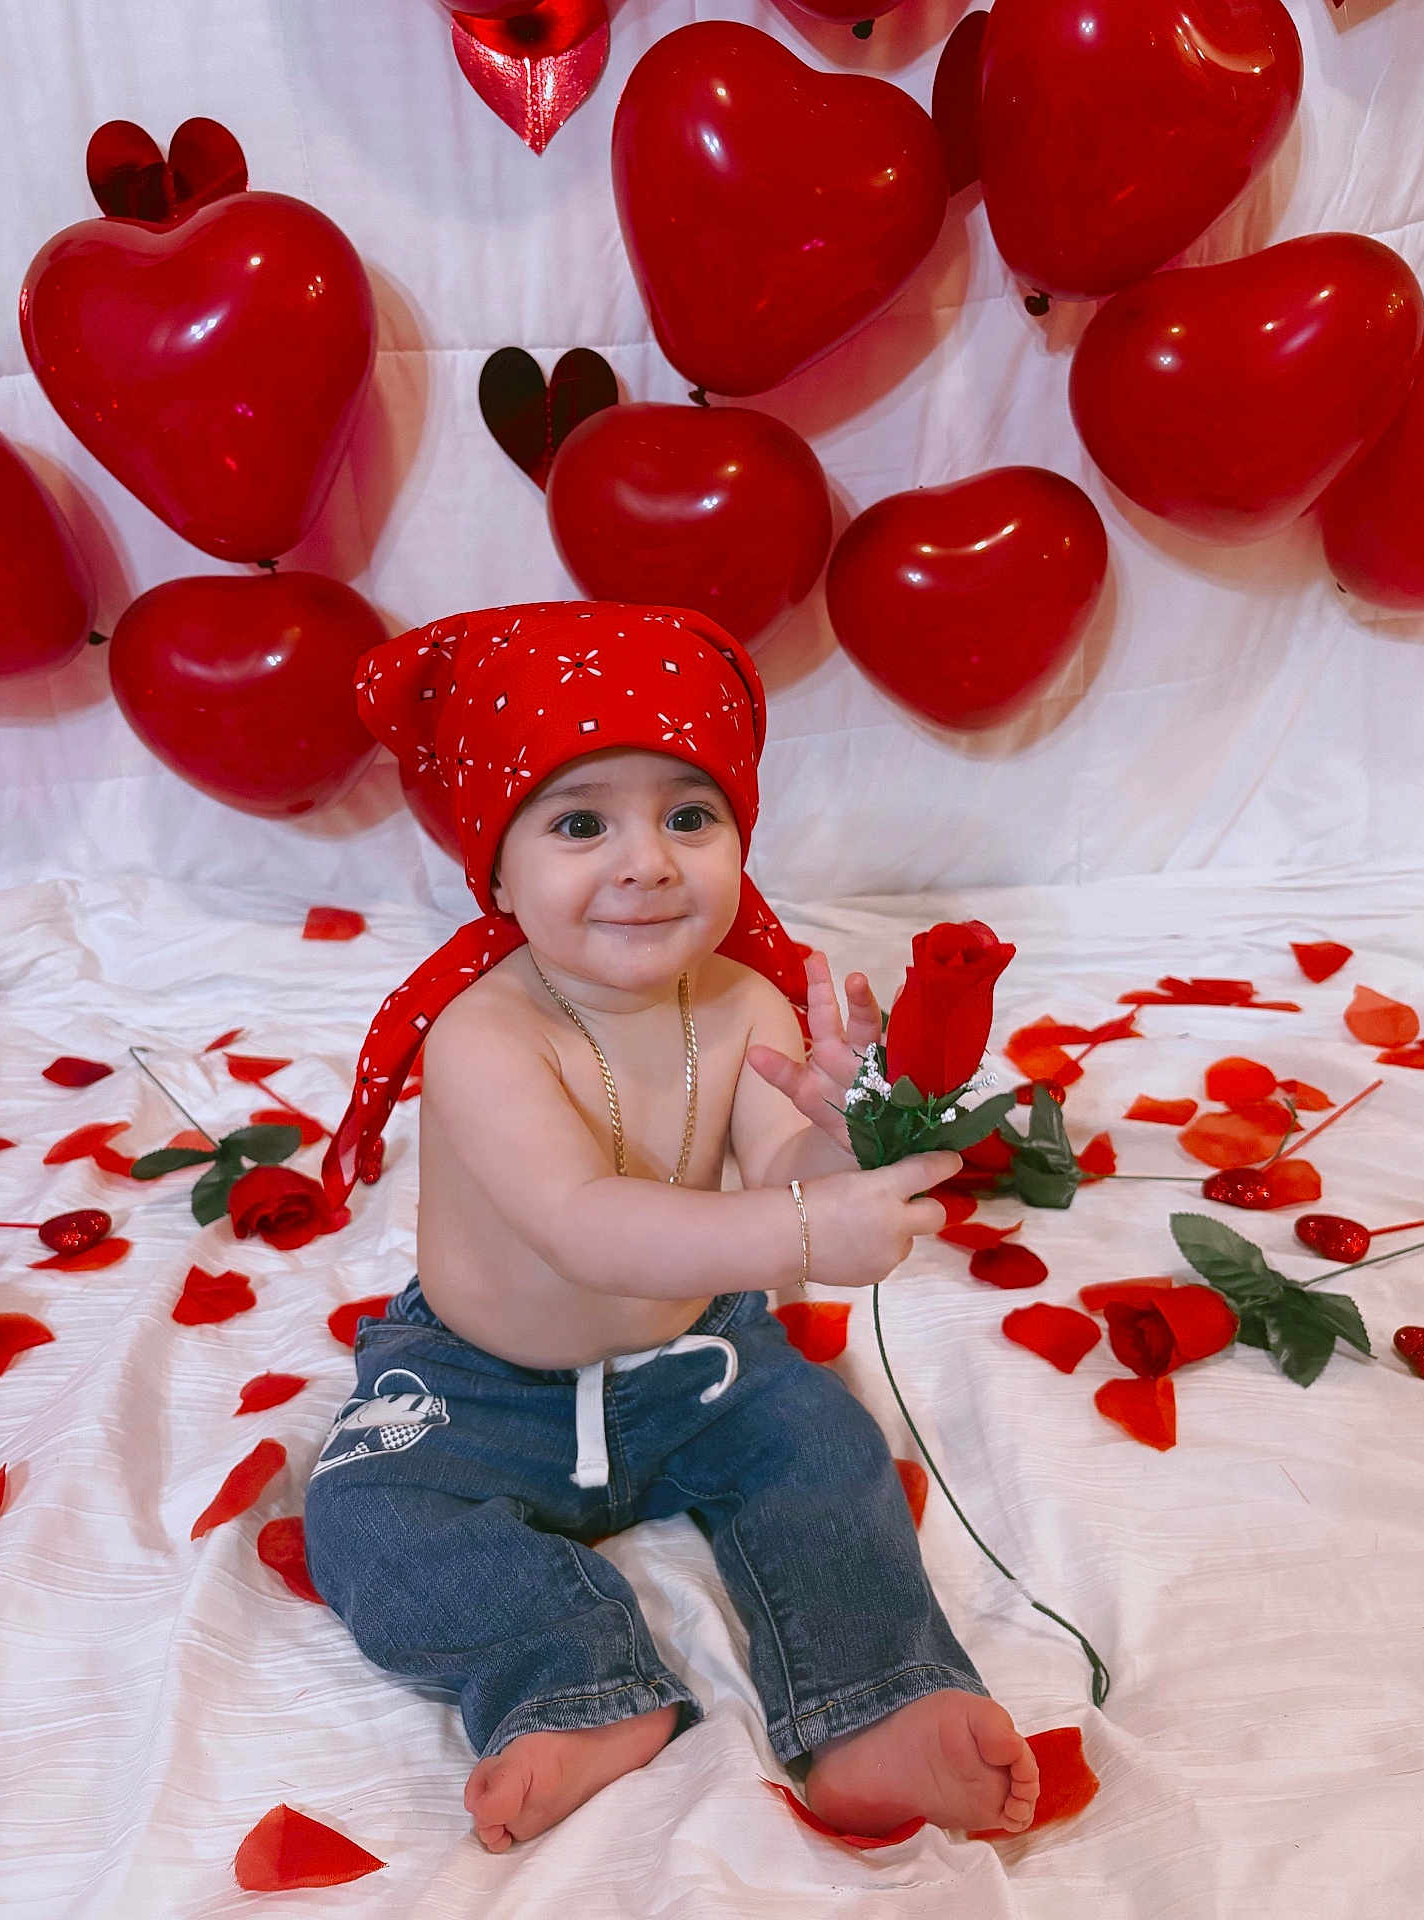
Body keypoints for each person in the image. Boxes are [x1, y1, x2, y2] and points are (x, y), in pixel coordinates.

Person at [305, 601, 1039, 1855]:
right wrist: (809, 1237)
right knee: (372, 1520)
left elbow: (778, 1168)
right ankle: (568, 1679)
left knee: (825, 1461)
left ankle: (873, 1699)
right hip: (482, 1378)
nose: (647, 861)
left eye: (689, 818)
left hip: (697, 1356)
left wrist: (839, 1131)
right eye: (582, 821)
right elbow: (584, 1227)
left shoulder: (747, 995)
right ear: (495, 861)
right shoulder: (485, 1033)